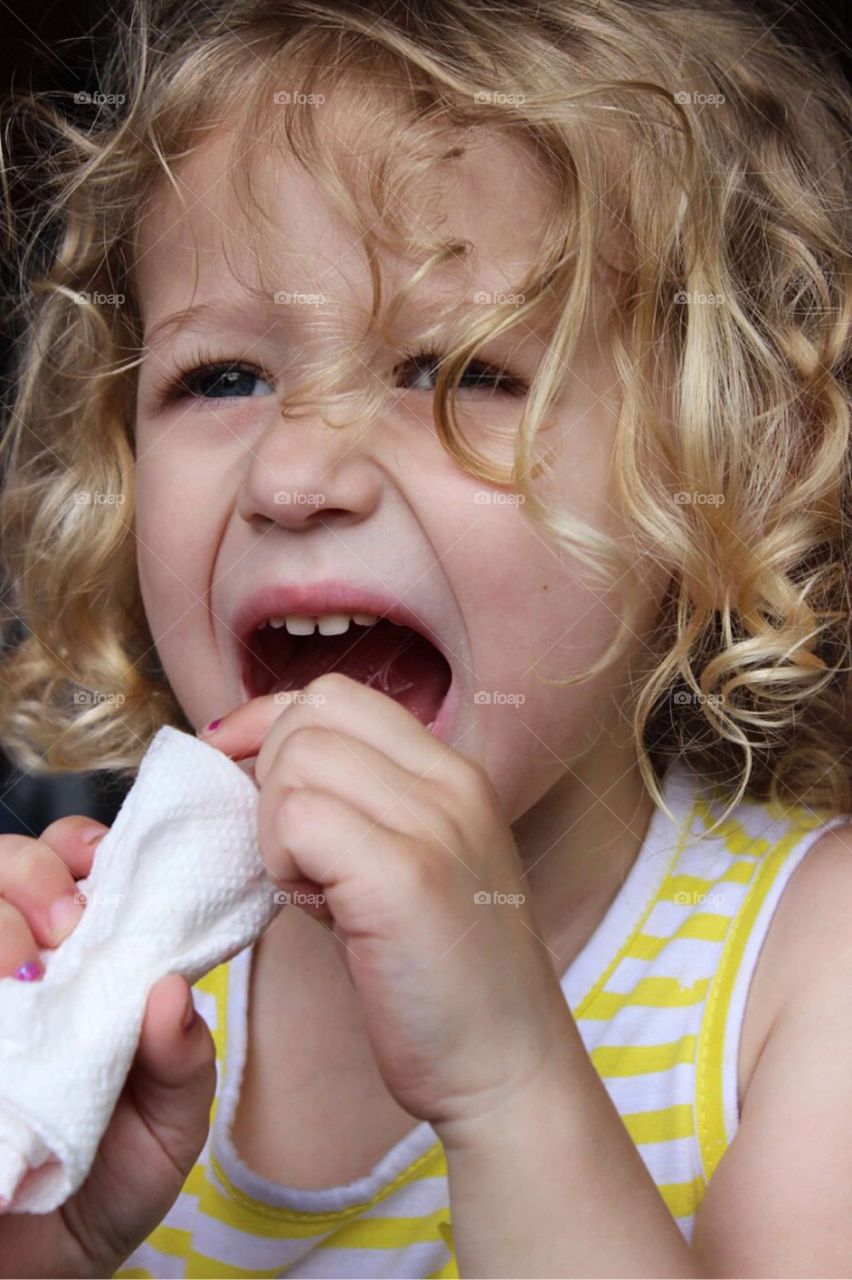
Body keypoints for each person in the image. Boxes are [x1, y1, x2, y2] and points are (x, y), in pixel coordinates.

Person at [0, 0, 850, 1274]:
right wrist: (38, 1228)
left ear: (719, 463)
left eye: (453, 372)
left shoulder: (807, 977)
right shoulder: (108, 983)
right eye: (221, 377)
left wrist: (508, 1082)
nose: (294, 473)